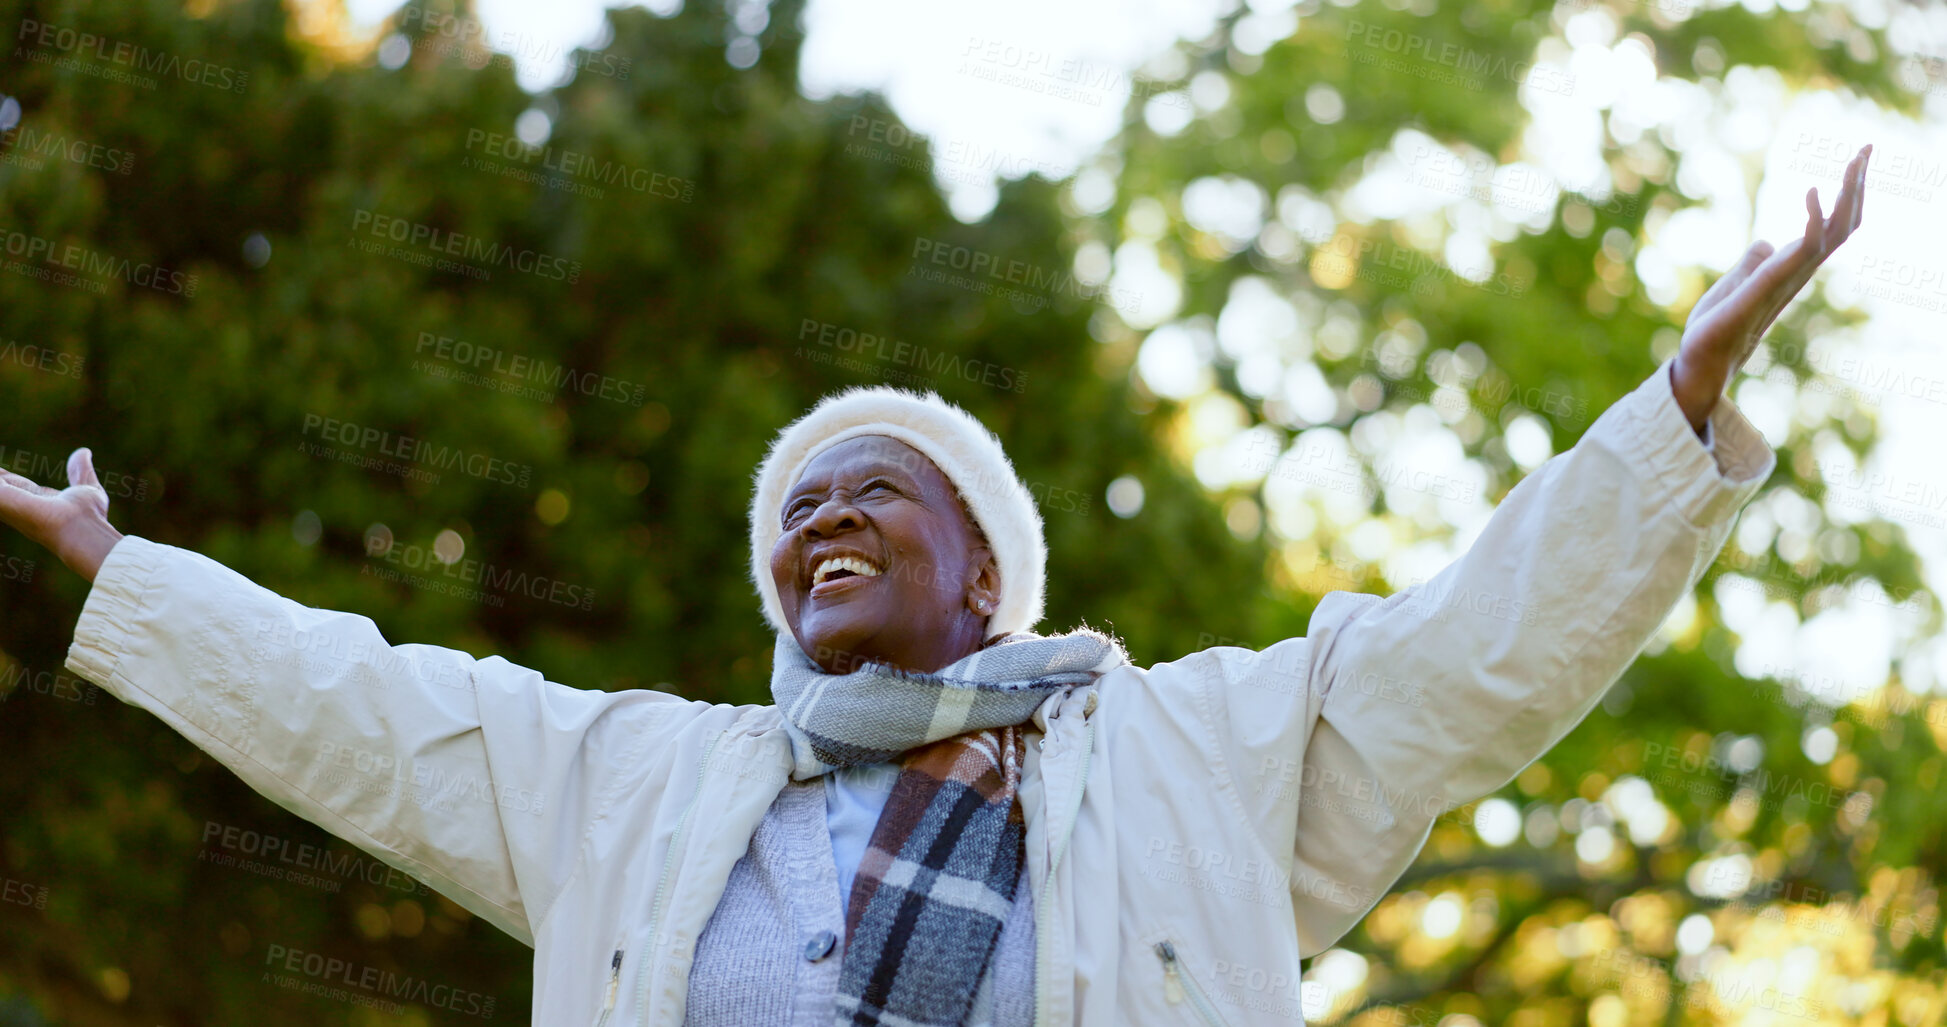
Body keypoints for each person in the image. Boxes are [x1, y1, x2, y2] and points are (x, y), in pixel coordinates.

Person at [0, 147, 1869, 1026]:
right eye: (796, 511)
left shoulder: (1197, 750)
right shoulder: (638, 783)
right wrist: (123, 570)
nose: (821, 517)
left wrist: (1675, 402)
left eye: (871, 491)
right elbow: (363, 705)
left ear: (983, 565)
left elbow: (1476, 656)